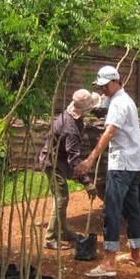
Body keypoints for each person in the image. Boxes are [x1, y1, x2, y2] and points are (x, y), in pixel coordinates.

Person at [77, 65, 140, 279]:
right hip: (134, 164)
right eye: (101, 86)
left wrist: (90, 159)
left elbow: (109, 132)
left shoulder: (118, 103)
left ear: (116, 81)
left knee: (111, 210)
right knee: (132, 208)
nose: (103, 89)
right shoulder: (126, 100)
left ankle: (109, 262)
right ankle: (135, 253)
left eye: (105, 85)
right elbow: (101, 104)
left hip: (122, 164)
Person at [38, 89, 99, 250]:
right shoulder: (70, 128)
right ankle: (50, 237)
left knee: (62, 196)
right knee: (61, 198)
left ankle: (63, 230)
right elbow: (74, 160)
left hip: (57, 159)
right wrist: (86, 182)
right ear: (83, 109)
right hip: (52, 163)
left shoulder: (70, 113)